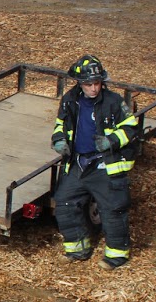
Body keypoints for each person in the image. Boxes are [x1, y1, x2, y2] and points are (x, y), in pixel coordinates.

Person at [51, 55, 141, 270]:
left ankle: (117, 256)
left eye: (97, 83)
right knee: (64, 203)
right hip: (79, 164)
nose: (93, 88)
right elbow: (60, 124)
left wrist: (111, 141)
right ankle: (77, 249)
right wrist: (59, 140)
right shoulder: (70, 99)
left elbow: (131, 128)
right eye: (89, 84)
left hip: (104, 165)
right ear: (80, 84)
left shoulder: (114, 102)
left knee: (112, 209)